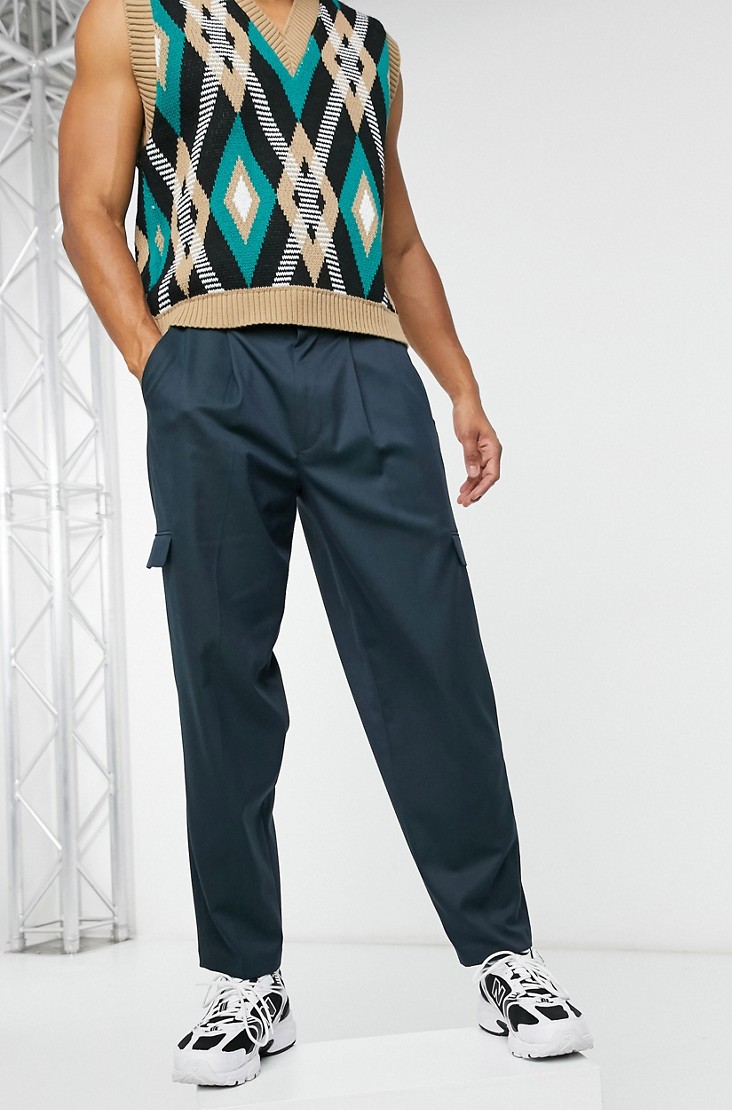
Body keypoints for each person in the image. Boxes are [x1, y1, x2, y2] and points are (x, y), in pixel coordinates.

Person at [58, 0, 593, 1086]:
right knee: (222, 673)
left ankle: (503, 955)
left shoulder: (370, 47)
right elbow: (87, 210)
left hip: (365, 369)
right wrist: (162, 369)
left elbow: (398, 238)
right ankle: (243, 979)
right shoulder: (136, 18)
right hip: (209, 363)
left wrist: (461, 386)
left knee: (434, 658)